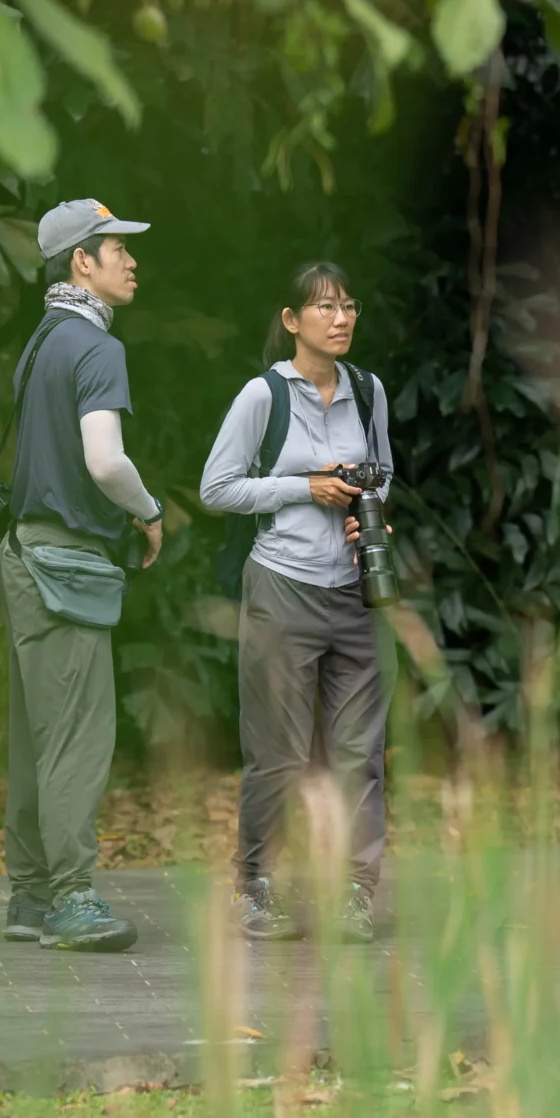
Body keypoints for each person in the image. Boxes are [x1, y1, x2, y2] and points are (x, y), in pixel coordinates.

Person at [198, 261, 394, 943]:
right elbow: (217, 487)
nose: (341, 319)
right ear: (291, 320)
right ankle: (256, 887)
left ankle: (354, 893)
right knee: (277, 752)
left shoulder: (368, 390)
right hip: (282, 586)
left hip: (357, 589)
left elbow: (384, 474)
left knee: (359, 752)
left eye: (349, 306)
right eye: (324, 307)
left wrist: (370, 512)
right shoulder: (264, 395)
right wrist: (304, 487)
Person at [0, 199, 164, 953]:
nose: (131, 260)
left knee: (36, 734)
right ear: (81, 262)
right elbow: (105, 460)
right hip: (66, 562)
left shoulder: (40, 343)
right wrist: (149, 510)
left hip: (23, 554)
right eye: (117, 249)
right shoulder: (96, 347)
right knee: (75, 735)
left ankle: (30, 895)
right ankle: (70, 897)